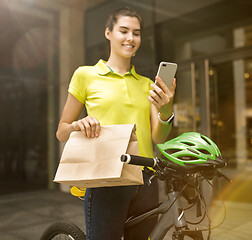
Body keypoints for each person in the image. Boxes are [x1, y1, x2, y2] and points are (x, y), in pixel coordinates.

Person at [56, 7, 176, 240]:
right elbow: (61, 131)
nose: (131, 38)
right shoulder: (85, 75)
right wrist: (78, 125)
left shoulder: (146, 84)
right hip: (106, 178)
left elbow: (158, 137)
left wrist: (167, 108)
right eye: (124, 31)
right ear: (108, 33)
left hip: (146, 178)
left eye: (137, 33)